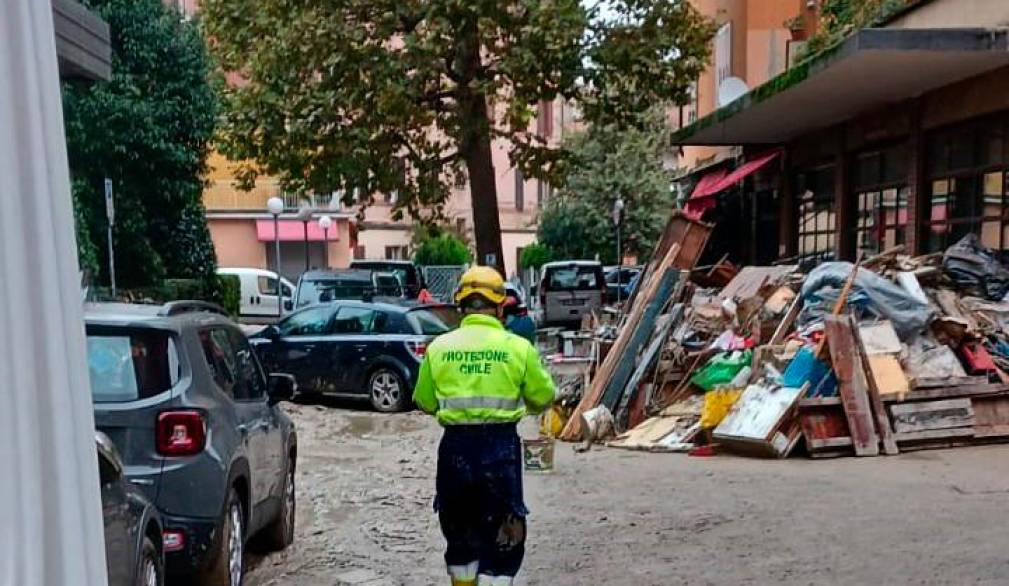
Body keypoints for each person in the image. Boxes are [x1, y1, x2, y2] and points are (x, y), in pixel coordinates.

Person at [413, 266, 556, 586]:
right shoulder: (518, 348)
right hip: (500, 448)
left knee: (460, 536)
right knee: (505, 535)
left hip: (455, 451)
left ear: (460, 306)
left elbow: (424, 402)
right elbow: (544, 397)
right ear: (501, 306)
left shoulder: (439, 348)